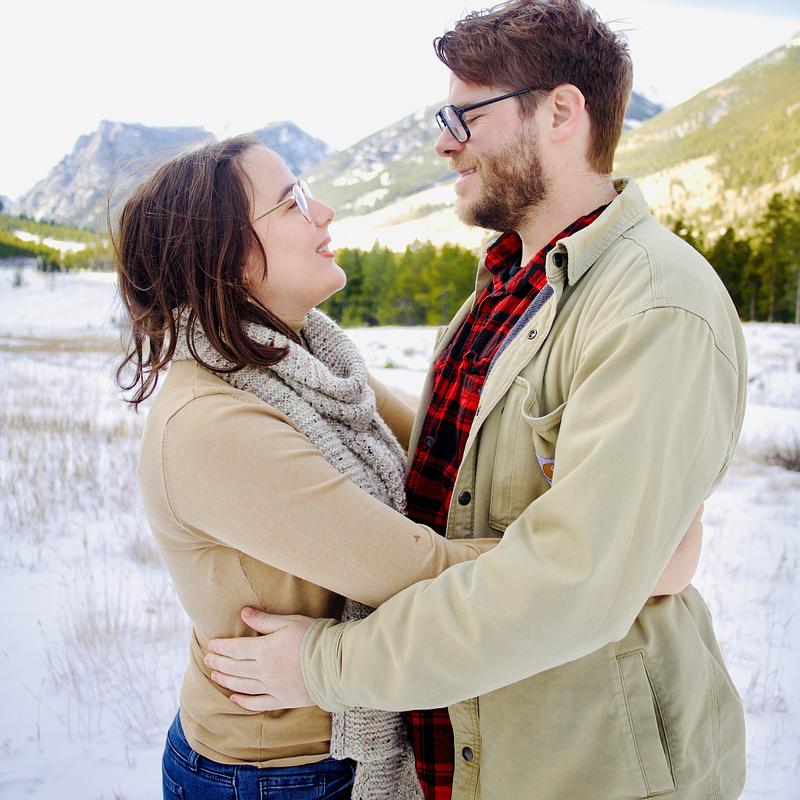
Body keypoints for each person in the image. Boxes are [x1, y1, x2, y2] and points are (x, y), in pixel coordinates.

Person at [204, 2, 748, 799]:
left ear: (560, 113)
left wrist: (324, 665)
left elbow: (572, 583)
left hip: (588, 767)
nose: (444, 141)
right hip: (473, 748)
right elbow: (453, 480)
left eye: (467, 116)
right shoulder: (507, 287)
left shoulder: (654, 306)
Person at [118, 135, 699, 799]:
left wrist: (616, 500)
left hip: (330, 752)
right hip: (276, 776)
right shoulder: (212, 427)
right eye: (292, 203)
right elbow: (421, 572)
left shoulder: (309, 371)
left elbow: (446, 453)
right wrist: (621, 563)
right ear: (229, 258)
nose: (324, 211)